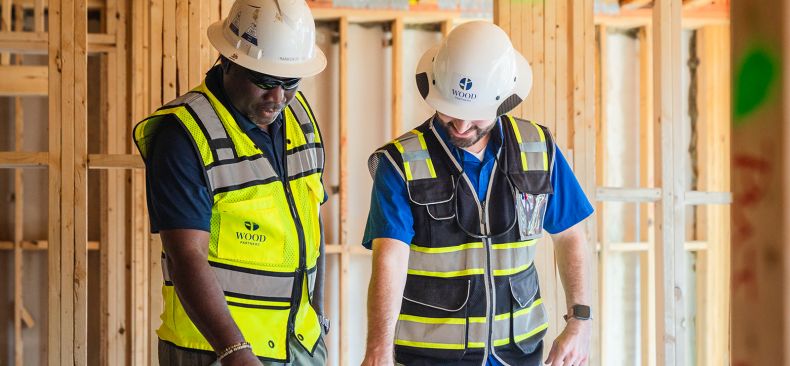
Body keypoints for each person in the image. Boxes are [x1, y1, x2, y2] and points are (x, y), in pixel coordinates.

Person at [361, 21, 594, 366]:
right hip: (432, 357)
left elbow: (570, 236)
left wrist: (580, 319)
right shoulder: (400, 162)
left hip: (520, 353)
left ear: (502, 101)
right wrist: (378, 351)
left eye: (475, 117)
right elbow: (389, 257)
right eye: (451, 111)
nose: (460, 126)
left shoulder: (538, 148)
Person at [133, 0, 330, 364]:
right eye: (265, 82)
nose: (277, 98)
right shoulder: (185, 135)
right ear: (227, 61)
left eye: (289, 83)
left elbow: (311, 225)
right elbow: (185, 255)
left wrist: (317, 316)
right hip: (215, 351)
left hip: (299, 345)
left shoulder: (300, 118)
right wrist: (235, 351)